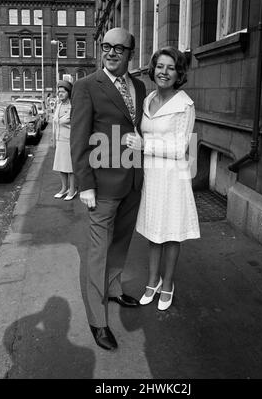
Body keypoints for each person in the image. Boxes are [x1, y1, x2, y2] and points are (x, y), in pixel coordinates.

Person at [70, 28, 146, 351]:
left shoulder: (140, 86)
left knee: (121, 243)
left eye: (119, 48)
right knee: (98, 253)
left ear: (131, 53)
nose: (112, 53)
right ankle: (98, 320)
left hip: (132, 182)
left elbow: (137, 128)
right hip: (100, 186)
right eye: (106, 47)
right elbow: (79, 138)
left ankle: (114, 288)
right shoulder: (87, 86)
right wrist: (84, 184)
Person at [127, 46, 200, 311]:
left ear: (178, 73)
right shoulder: (147, 101)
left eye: (171, 68)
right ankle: (152, 281)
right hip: (151, 176)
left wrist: (144, 145)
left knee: (170, 234)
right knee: (153, 231)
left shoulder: (185, 105)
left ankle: (167, 284)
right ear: (153, 69)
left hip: (172, 177)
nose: (164, 72)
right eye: (160, 66)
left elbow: (180, 148)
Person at [52, 80, 77, 201]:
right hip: (60, 140)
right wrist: (53, 139)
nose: (59, 94)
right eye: (58, 91)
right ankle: (64, 188)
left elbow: (77, 124)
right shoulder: (59, 105)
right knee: (61, 166)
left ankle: (72, 190)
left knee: (70, 167)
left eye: (62, 92)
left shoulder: (74, 106)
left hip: (69, 140)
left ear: (69, 92)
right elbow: (55, 123)